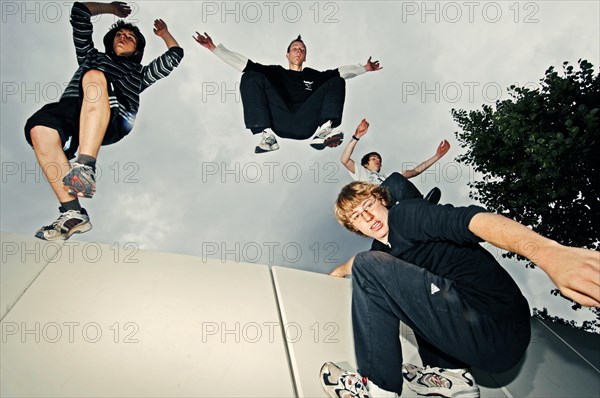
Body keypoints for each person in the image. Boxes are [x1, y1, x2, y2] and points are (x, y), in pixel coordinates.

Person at [321, 181, 600, 397]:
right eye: (357, 217)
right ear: (354, 227)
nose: (368, 217)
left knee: (369, 267)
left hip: (497, 321)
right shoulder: (383, 251)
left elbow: (473, 222)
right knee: (386, 276)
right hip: (486, 345)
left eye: (368, 205)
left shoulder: (407, 215)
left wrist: (550, 254)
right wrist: (337, 271)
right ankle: (453, 377)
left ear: (382, 200)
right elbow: (358, 262)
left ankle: (377, 387)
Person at [24, 1, 183, 241]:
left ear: (138, 48)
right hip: (74, 112)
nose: (123, 37)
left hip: (114, 116)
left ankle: (85, 165)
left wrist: (164, 34)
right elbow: (79, 12)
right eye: (119, 34)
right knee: (40, 130)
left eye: (130, 37)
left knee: (95, 77)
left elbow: (174, 56)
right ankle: (72, 214)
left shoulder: (139, 75)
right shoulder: (91, 56)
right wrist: (111, 8)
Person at [194, 32, 382, 153]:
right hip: (280, 120)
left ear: (305, 56)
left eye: (302, 50)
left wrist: (365, 68)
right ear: (288, 54)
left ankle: (325, 130)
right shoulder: (276, 72)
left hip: (305, 124)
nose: (298, 51)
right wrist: (214, 48)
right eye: (295, 48)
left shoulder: (313, 76)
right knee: (251, 76)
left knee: (336, 80)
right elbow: (245, 64)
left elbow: (342, 72)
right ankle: (266, 136)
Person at [341, 118, 450, 204]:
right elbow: (344, 160)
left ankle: (419, 205)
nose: (377, 160)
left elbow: (415, 171)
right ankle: (420, 204)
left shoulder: (388, 177)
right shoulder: (361, 173)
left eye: (379, 159)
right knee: (395, 178)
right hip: (376, 202)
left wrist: (437, 156)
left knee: (397, 177)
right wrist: (357, 136)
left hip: (392, 201)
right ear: (365, 164)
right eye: (373, 159)